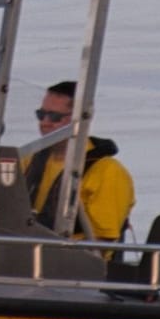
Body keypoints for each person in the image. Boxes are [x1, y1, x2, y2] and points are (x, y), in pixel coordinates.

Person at [23, 80, 135, 244]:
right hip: (25, 254)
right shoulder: (27, 161)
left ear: (80, 119)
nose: (45, 122)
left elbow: (102, 242)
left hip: (78, 263)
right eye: (41, 114)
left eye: (54, 117)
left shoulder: (108, 172)